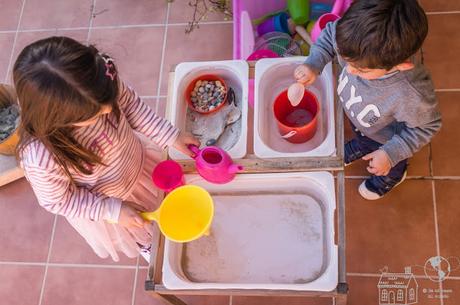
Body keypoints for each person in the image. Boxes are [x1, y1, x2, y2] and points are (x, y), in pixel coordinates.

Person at [14, 36, 199, 261]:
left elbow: (131, 106)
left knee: (170, 201)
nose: (110, 108)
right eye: (96, 115)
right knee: (146, 231)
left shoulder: (100, 83)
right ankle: (151, 247)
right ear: (58, 118)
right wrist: (113, 210)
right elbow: (59, 201)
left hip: (140, 164)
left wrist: (171, 135)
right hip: (111, 202)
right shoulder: (41, 158)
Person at [294, 0, 441, 200]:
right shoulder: (353, 35)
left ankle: (392, 176)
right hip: (365, 121)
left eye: (362, 70)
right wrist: (313, 63)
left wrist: (391, 153)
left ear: (401, 65)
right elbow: (329, 35)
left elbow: (426, 126)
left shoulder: (409, 94)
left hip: (386, 138)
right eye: (347, 59)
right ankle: (362, 145)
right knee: (364, 136)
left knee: (389, 162)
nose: (349, 69)